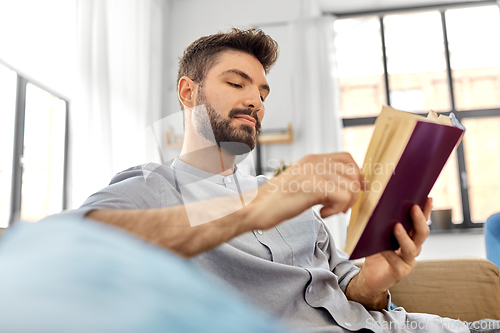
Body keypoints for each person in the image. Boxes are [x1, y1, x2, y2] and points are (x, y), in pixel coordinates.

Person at [75, 28, 496, 333]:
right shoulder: (152, 187)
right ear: (188, 93)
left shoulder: (285, 196)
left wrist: (373, 279)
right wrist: (251, 211)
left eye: (262, 92)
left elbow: (347, 287)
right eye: (236, 83)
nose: (255, 101)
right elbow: (73, 240)